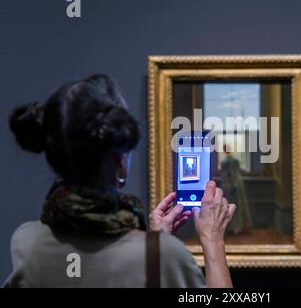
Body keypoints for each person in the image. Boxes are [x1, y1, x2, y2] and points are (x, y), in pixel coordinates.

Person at [3, 74, 236, 288]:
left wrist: (154, 244)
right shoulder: (166, 257)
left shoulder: (26, 243)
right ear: (120, 160)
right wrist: (211, 237)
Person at [220, 145, 252, 234]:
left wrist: (230, 185)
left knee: (231, 205)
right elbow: (236, 173)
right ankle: (236, 226)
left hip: (229, 185)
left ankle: (234, 226)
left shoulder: (225, 162)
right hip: (236, 184)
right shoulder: (233, 161)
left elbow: (229, 174)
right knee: (236, 205)